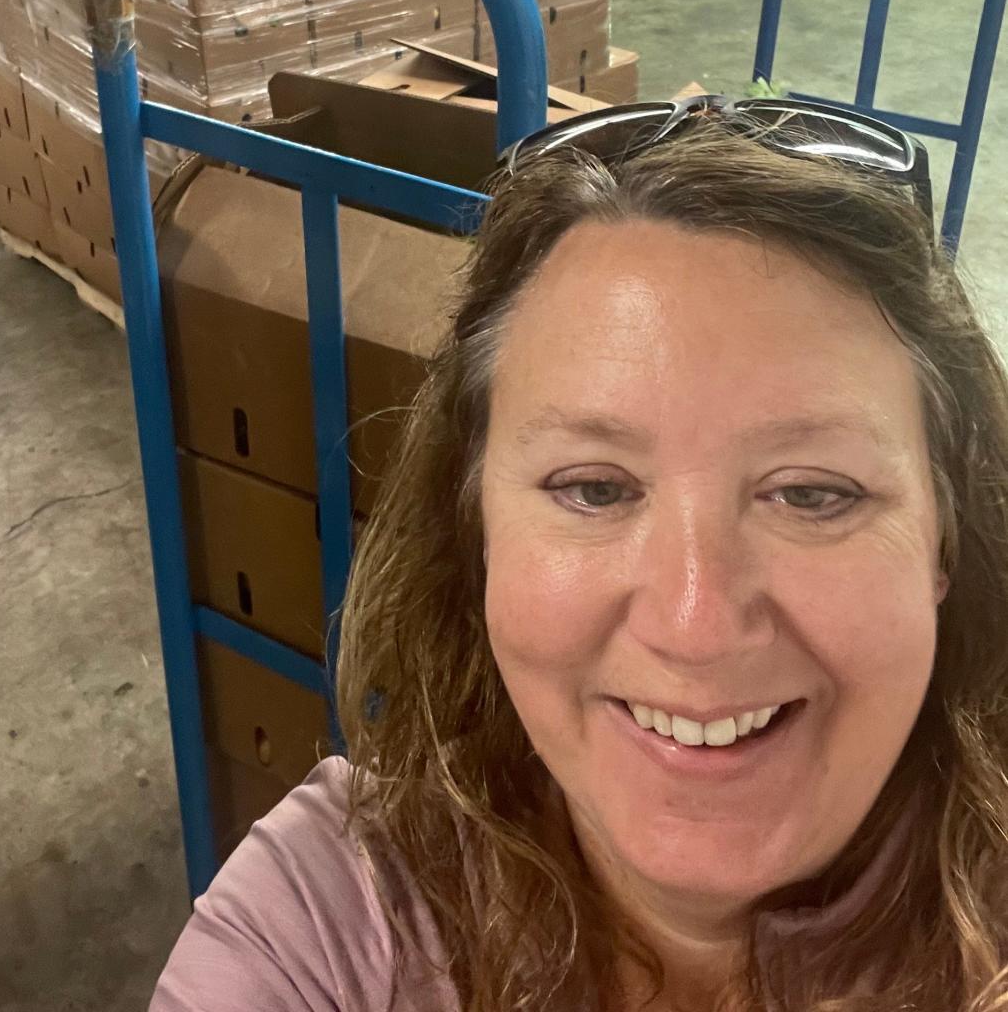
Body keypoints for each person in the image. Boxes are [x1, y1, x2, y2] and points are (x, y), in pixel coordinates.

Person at [151, 97, 1008, 1012]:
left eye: (812, 494)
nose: (698, 625)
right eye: (594, 489)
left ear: (943, 541)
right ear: (475, 530)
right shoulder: (321, 925)